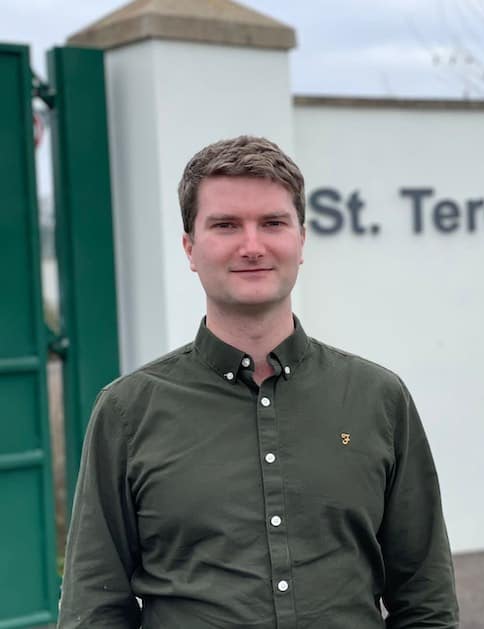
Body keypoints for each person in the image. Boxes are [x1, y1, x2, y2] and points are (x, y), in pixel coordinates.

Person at [57, 136, 459, 629]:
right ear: (190, 248)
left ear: (301, 240)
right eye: (225, 225)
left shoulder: (378, 399)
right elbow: (93, 609)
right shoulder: (127, 411)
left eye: (272, 223)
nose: (252, 246)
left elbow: (425, 599)